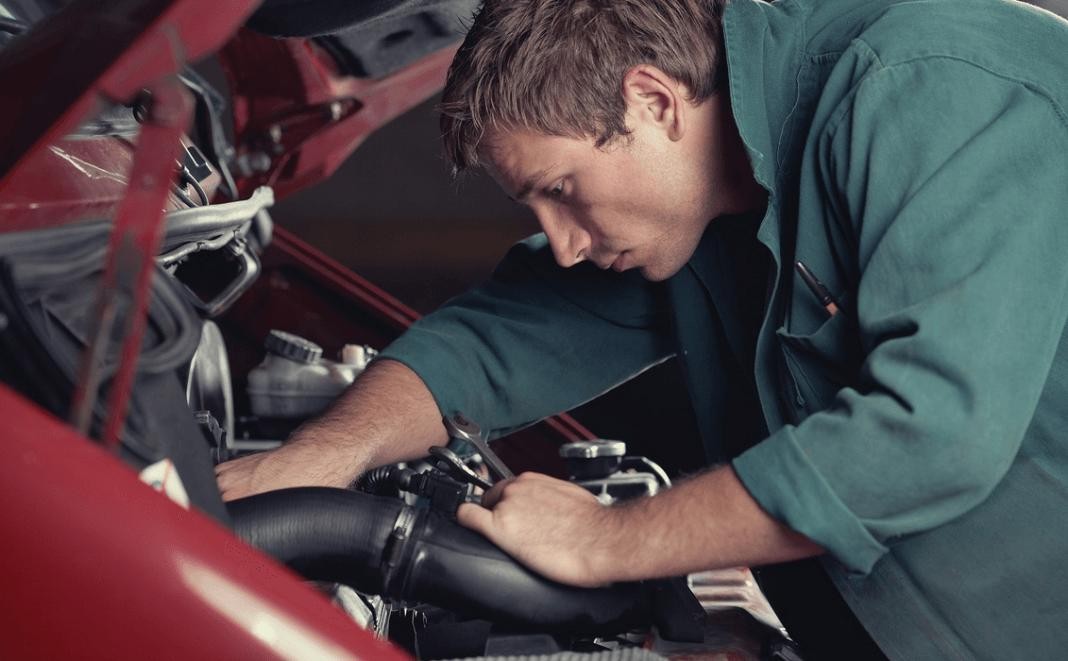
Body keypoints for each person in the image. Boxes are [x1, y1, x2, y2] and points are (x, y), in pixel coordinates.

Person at [216, 0, 1068, 657]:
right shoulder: (703, 203)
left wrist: (606, 538)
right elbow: (495, 337)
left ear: (653, 102)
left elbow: (933, 435)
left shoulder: (929, 88)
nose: (562, 239)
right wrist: (319, 458)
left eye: (563, 188)